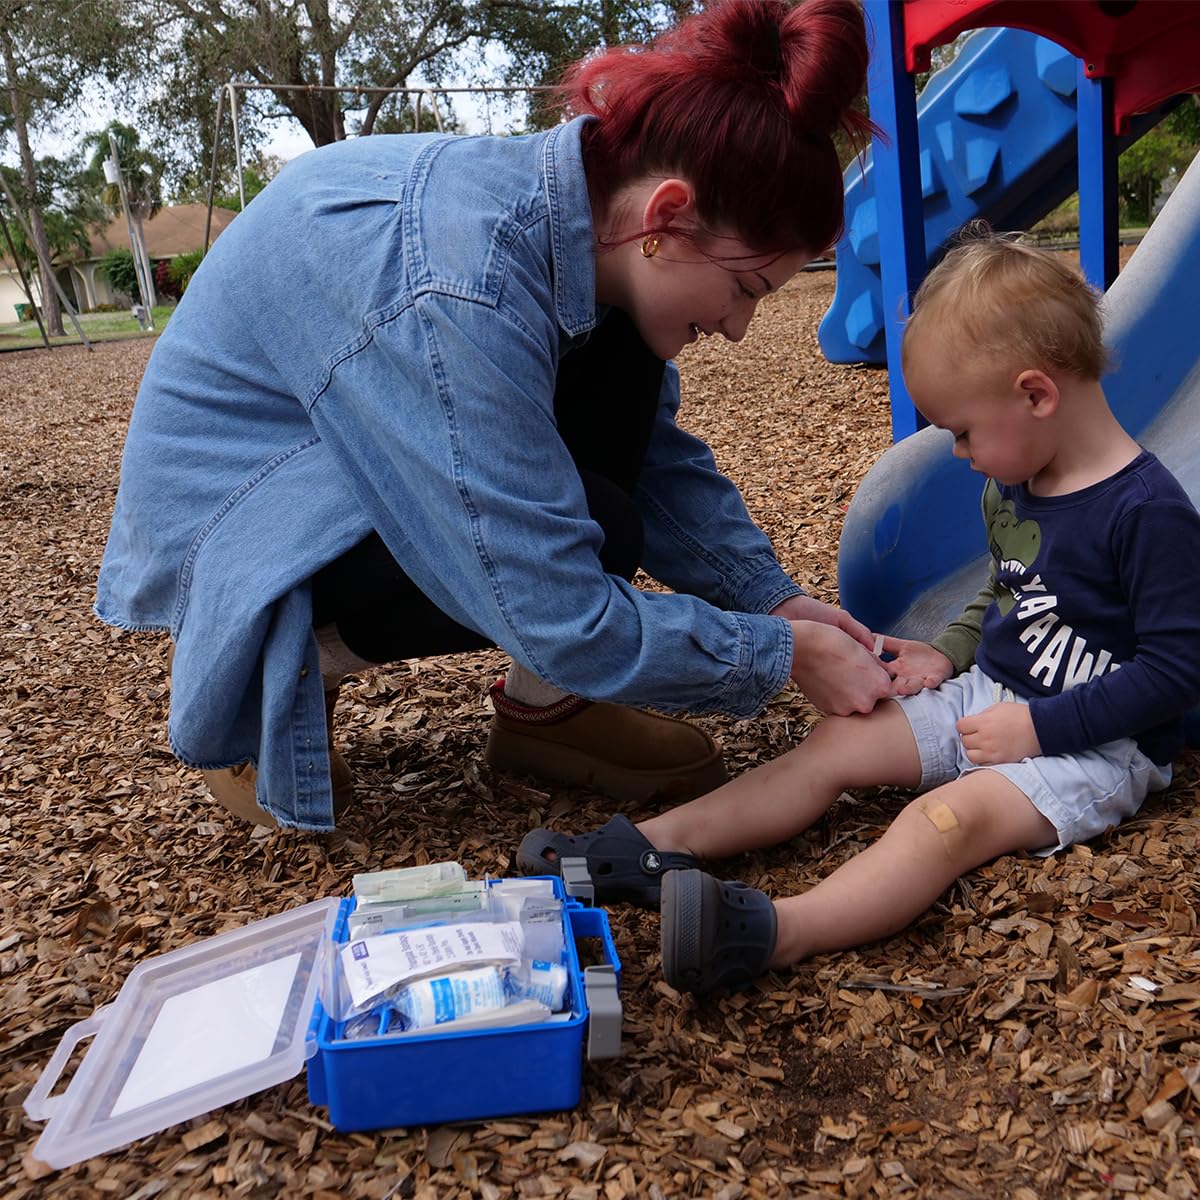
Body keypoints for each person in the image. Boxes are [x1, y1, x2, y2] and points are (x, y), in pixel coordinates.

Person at [95, 0, 893, 831]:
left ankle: (549, 712)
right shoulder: (459, 282)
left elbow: (653, 466)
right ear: (666, 217)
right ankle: (268, 672)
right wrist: (780, 659)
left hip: (349, 441)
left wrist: (774, 605)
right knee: (566, 545)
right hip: (250, 510)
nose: (737, 327)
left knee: (607, 499)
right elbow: (552, 604)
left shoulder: (593, 238)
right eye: (745, 288)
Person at [517, 230, 1200, 993]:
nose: (959, 452)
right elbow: (1014, 583)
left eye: (963, 432)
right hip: (994, 701)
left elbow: (1177, 672)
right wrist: (949, 651)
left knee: (945, 824)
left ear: (1037, 394)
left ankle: (771, 932)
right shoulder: (1020, 478)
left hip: (1097, 747)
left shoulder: (1149, 514)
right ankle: (639, 849)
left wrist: (1042, 729)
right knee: (837, 743)